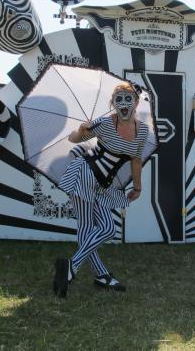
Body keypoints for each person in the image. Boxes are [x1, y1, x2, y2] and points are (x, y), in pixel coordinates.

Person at [53, 82, 148, 298]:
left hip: (104, 185)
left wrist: (138, 186)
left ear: (135, 102)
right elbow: (73, 139)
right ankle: (100, 275)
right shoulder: (105, 123)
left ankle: (72, 267)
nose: (123, 103)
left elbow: (136, 160)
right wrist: (81, 131)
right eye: (119, 99)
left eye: (128, 98)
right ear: (113, 103)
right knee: (88, 228)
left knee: (106, 228)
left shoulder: (142, 130)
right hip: (84, 173)